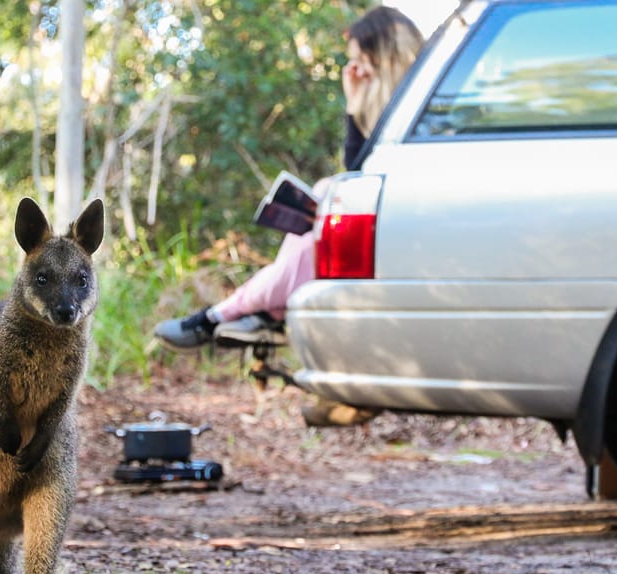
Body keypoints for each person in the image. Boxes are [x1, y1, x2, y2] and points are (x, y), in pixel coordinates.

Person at [155, 6, 425, 425]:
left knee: (327, 200)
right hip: (390, 229)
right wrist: (355, 109)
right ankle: (246, 316)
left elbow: (369, 180)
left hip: (417, 230)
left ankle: (229, 315)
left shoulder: (425, 104)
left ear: (383, 57)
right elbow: (359, 170)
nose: (352, 69)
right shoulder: (388, 108)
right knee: (324, 205)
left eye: (358, 60)